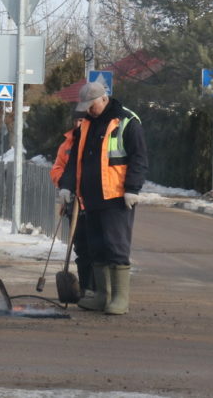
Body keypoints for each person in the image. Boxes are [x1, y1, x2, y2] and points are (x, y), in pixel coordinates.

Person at [58, 82, 148, 315]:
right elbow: (75, 159)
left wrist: (132, 189)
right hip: (90, 197)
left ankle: (119, 299)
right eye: (86, 107)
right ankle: (102, 296)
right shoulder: (87, 124)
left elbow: (139, 158)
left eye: (92, 105)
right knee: (96, 247)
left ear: (104, 99)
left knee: (116, 246)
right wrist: (66, 186)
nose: (89, 110)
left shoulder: (126, 121)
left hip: (116, 197)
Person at [50, 109, 93, 296]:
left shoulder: (96, 141)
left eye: (82, 120)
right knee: (81, 248)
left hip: (92, 203)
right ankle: (84, 288)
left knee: (95, 247)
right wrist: (65, 183)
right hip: (73, 202)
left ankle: (96, 288)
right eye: (76, 120)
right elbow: (57, 168)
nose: (78, 124)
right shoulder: (67, 144)